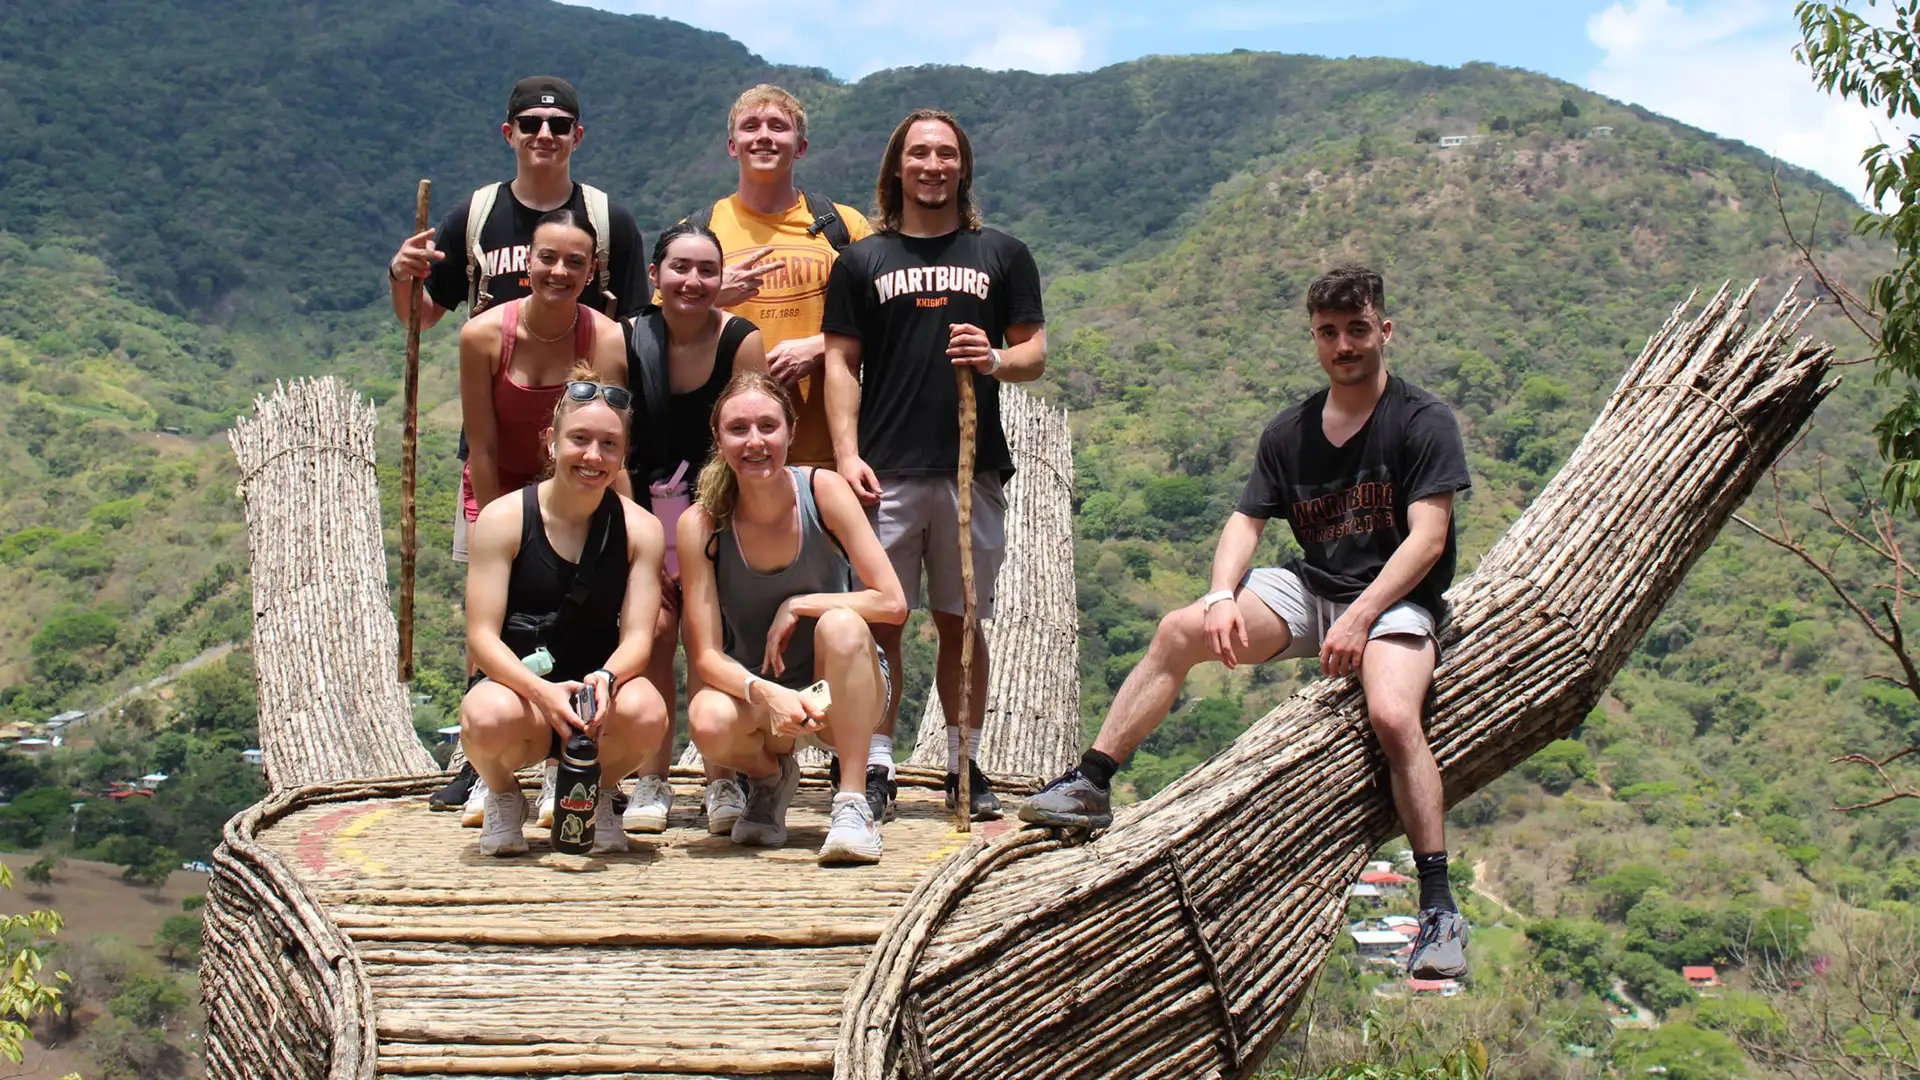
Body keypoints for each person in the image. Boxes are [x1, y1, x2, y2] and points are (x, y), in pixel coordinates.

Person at [1019, 266, 1473, 981]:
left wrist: (1361, 616)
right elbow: (1245, 519)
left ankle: (1440, 905)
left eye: (1357, 330)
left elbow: (1427, 540)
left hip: (1394, 597)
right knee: (1178, 629)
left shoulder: (1423, 421)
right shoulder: (1290, 431)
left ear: (1384, 331)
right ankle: (1092, 781)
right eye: (1329, 333)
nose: (1344, 346)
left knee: (1390, 713)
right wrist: (1222, 592)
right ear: (1314, 340)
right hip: (1312, 588)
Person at [822, 109, 1046, 822]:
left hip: (969, 469)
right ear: (898, 167)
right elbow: (839, 363)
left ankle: (962, 761)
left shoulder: (1001, 254)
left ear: (963, 167)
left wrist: (996, 360)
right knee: (880, 622)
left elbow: (1034, 352)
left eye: (945, 154)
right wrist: (848, 454)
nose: (932, 165)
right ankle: (876, 764)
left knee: (962, 618)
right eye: (919, 153)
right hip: (884, 470)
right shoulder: (862, 261)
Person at [680, 372, 908, 864]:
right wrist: (769, 694)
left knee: (841, 624)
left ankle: (851, 802)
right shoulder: (703, 524)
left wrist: (801, 604)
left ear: (790, 430)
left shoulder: (823, 491)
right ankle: (769, 779)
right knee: (707, 718)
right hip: (770, 699)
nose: (755, 441)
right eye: (738, 429)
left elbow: (892, 602)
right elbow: (705, 656)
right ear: (717, 438)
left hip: (840, 691)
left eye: (768, 426)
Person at [458, 366, 670, 857]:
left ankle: (594, 793)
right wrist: (541, 692)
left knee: (646, 710)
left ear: (623, 454)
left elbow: (639, 636)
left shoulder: (640, 530)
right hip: (519, 692)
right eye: (579, 439)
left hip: (594, 694)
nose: (593, 456)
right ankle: (503, 792)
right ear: (550, 442)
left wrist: (607, 679)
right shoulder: (503, 519)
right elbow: (482, 637)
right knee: (485, 715)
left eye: (609, 444)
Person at [620, 222, 767, 835]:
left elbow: (749, 436)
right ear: (654, 276)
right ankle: (650, 777)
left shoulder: (741, 340)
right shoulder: (626, 339)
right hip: (639, 507)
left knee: (714, 639)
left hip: (716, 511)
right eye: (679, 268)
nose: (693, 281)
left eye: (707, 269)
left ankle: (721, 778)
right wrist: (634, 535)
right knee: (652, 633)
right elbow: (612, 438)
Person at [683, 84, 873, 471]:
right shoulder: (698, 232)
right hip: (731, 457)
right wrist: (710, 294)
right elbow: (655, 334)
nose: (764, 136)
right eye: (750, 126)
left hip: (832, 458)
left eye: (777, 126)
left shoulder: (844, 226)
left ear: (800, 147)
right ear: (732, 145)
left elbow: (893, 318)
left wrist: (821, 346)